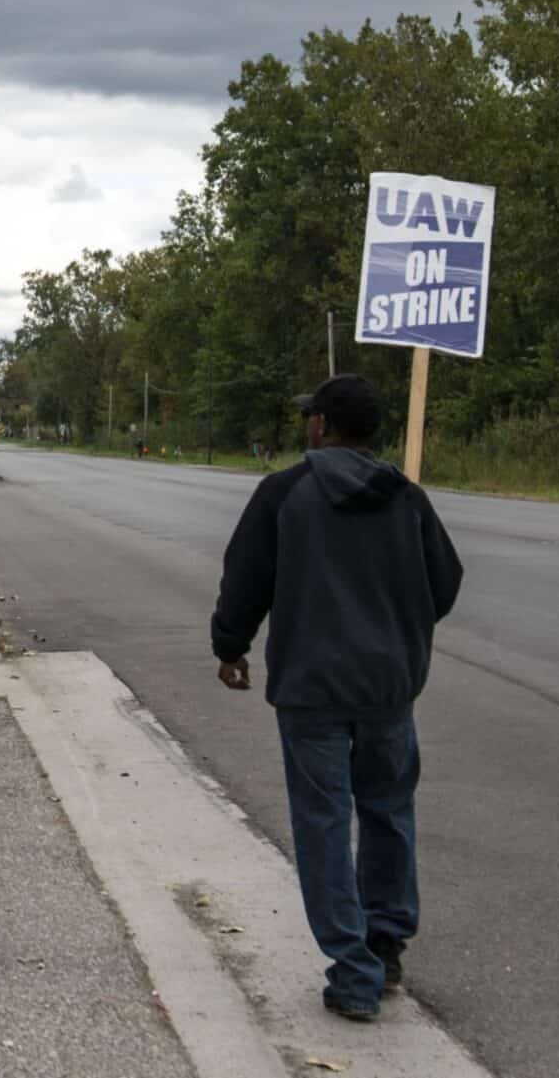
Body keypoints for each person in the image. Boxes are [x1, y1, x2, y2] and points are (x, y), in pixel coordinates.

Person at [212, 373, 463, 1024]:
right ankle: (387, 945)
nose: (306, 426)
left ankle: (353, 971)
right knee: (388, 812)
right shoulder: (405, 496)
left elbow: (246, 577)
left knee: (324, 824)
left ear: (322, 425)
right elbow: (445, 582)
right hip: (388, 690)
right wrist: (397, 630)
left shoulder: (286, 492)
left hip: (312, 690)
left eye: (309, 418)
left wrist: (231, 645)